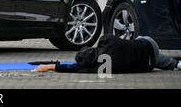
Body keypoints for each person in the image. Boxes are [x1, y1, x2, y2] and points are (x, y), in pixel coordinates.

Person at [34, 35, 181, 73]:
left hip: (147, 64)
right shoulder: (107, 41)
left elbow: (74, 68)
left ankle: (177, 64)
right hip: (148, 44)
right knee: (138, 40)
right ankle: (176, 63)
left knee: (160, 61)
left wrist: (49, 67)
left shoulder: (103, 67)